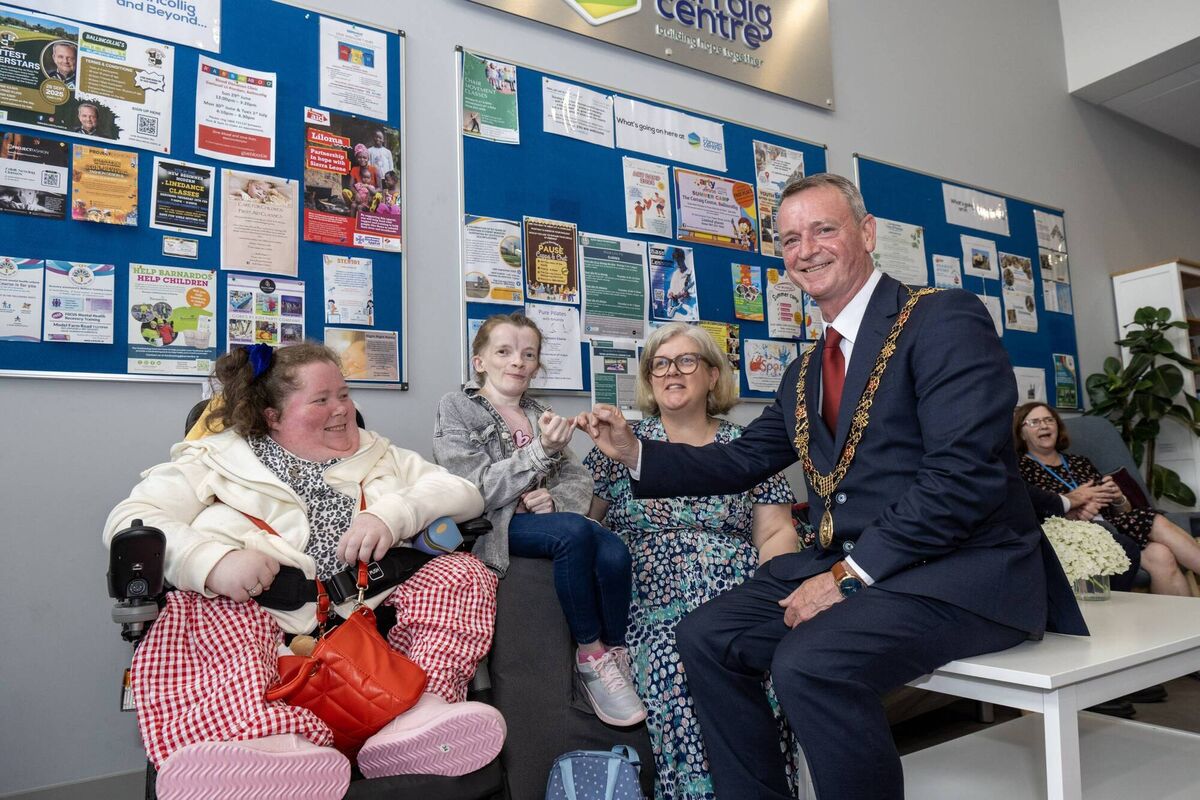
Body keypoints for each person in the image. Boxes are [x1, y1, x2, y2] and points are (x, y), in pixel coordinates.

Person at [578, 173, 1086, 800]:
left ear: (866, 233)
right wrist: (634, 452)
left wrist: (847, 577)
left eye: (824, 229)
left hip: (961, 572)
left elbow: (962, 477)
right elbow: (739, 463)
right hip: (865, 569)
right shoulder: (805, 371)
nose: (807, 249)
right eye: (790, 239)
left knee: (811, 663)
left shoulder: (942, 317)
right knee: (706, 636)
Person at [103, 343, 504, 799]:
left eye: (345, 394)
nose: (344, 409)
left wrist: (392, 514)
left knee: (461, 572)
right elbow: (132, 519)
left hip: (371, 628)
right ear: (272, 416)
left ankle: (417, 717)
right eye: (322, 400)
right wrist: (212, 563)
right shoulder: (212, 461)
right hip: (259, 627)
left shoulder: (382, 454)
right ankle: (266, 746)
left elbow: (462, 491)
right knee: (196, 606)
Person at [584, 322, 801, 800]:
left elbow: (777, 531)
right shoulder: (619, 444)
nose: (670, 373)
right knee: (676, 665)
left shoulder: (747, 445)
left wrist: (777, 598)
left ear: (711, 376)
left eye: (685, 361)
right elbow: (585, 524)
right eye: (659, 364)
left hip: (738, 595)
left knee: (769, 668)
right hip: (651, 600)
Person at [433, 312, 647, 727]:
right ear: (480, 361)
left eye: (528, 354)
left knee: (614, 549)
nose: (518, 361)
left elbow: (577, 477)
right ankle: (589, 655)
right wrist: (537, 457)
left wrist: (553, 499)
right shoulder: (458, 407)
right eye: (504, 351)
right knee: (571, 533)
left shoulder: (540, 412)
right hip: (493, 529)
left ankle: (614, 655)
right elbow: (473, 490)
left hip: (545, 523)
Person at [1015, 401, 1200, 596]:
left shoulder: (1079, 462)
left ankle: (1185, 625)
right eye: (1034, 422)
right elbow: (1034, 509)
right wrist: (1076, 506)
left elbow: (1123, 512)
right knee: (1158, 535)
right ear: (1021, 433)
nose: (1044, 425)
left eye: (1048, 420)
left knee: (1160, 551)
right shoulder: (1021, 468)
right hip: (1076, 535)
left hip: (1113, 524)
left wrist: (1118, 497)